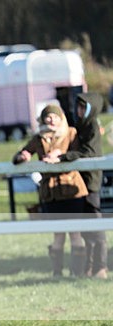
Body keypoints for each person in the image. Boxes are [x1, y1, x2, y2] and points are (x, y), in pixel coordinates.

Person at [14, 104, 87, 277]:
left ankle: (77, 272)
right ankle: (57, 272)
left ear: (60, 118)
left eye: (55, 116)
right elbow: (23, 153)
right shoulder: (39, 138)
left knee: (76, 232)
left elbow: (80, 153)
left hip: (72, 190)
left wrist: (59, 157)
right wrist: (22, 156)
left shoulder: (71, 133)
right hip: (50, 192)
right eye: (48, 117)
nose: (51, 120)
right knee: (58, 234)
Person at [54, 93, 107, 278]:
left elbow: (88, 152)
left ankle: (100, 267)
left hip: (90, 182)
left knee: (95, 226)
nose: (79, 111)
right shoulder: (80, 127)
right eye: (78, 107)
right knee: (85, 229)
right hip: (79, 182)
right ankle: (88, 268)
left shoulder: (91, 126)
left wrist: (65, 157)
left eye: (83, 107)